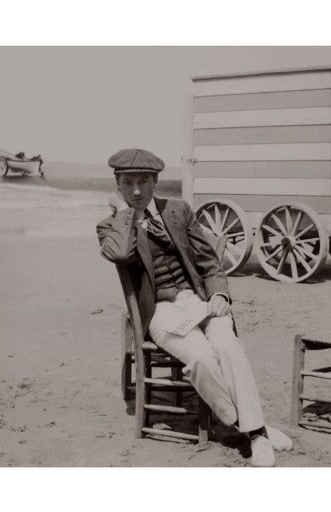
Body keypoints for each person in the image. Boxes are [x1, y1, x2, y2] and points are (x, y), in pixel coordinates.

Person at [96, 148, 292, 467]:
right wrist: (124, 214)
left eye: (143, 182)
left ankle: (256, 434)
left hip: (198, 300)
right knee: (201, 358)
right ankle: (253, 429)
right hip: (160, 312)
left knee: (229, 348)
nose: (136, 190)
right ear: (117, 186)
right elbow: (119, 254)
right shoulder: (110, 226)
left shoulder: (179, 210)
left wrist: (220, 295)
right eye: (127, 183)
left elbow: (209, 262)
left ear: (155, 181)